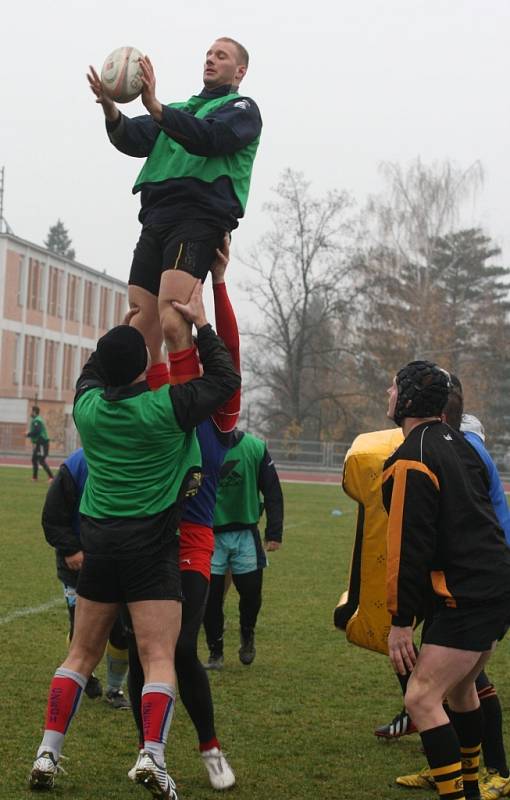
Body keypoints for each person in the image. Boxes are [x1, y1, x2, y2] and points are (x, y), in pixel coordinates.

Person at [29, 285, 241, 800]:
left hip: (98, 543)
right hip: (152, 547)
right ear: (143, 369)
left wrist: (122, 331)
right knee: (160, 655)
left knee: (80, 654)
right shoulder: (167, 409)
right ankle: (154, 756)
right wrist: (200, 325)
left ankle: (47, 752)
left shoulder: (88, 413)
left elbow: (92, 374)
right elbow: (225, 379)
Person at [126, 238, 239, 790]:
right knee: (140, 652)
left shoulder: (216, 416)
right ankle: (151, 753)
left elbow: (228, 360)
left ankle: (210, 748)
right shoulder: (160, 402)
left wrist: (217, 286)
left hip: (191, 541)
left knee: (181, 648)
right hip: (143, 538)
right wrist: (131, 331)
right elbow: (146, 356)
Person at [86, 37, 261, 380]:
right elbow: (133, 137)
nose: (210, 59)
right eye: (208, 53)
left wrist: (157, 108)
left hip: (199, 216)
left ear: (240, 70)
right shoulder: (178, 109)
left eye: (220, 56)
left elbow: (209, 138)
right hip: (156, 217)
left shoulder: (242, 109)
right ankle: (148, 414)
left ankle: (183, 416)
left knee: (172, 315)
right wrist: (110, 108)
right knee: (141, 323)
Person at [383, 360, 510, 800]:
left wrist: (401, 621)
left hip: (466, 596)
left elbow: (407, 545)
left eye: (394, 387)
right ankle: (471, 785)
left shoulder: (411, 457)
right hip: (494, 589)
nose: (388, 393)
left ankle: (460, 794)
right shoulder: (461, 443)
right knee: (460, 692)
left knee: (420, 699)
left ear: (412, 398)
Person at [42, 447, 130, 709]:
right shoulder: (77, 464)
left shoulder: (135, 457)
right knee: (83, 628)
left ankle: (115, 689)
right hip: (79, 563)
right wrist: (71, 549)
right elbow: (52, 516)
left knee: (121, 631)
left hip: (122, 560)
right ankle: (85, 674)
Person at [203, 430, 284, 669]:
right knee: (211, 597)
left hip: (245, 535)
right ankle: (215, 652)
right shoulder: (200, 443)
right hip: (210, 535)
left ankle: (247, 636)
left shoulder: (255, 447)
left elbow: (273, 492)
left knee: (251, 594)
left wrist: (274, 532)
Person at [26, 406, 54, 481]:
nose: (30, 413)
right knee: (34, 459)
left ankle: (51, 477)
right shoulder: (36, 420)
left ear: (34, 412)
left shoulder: (37, 420)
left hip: (42, 443)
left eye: (31, 411)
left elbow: (37, 432)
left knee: (41, 460)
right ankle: (35, 477)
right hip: (39, 443)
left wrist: (28, 434)